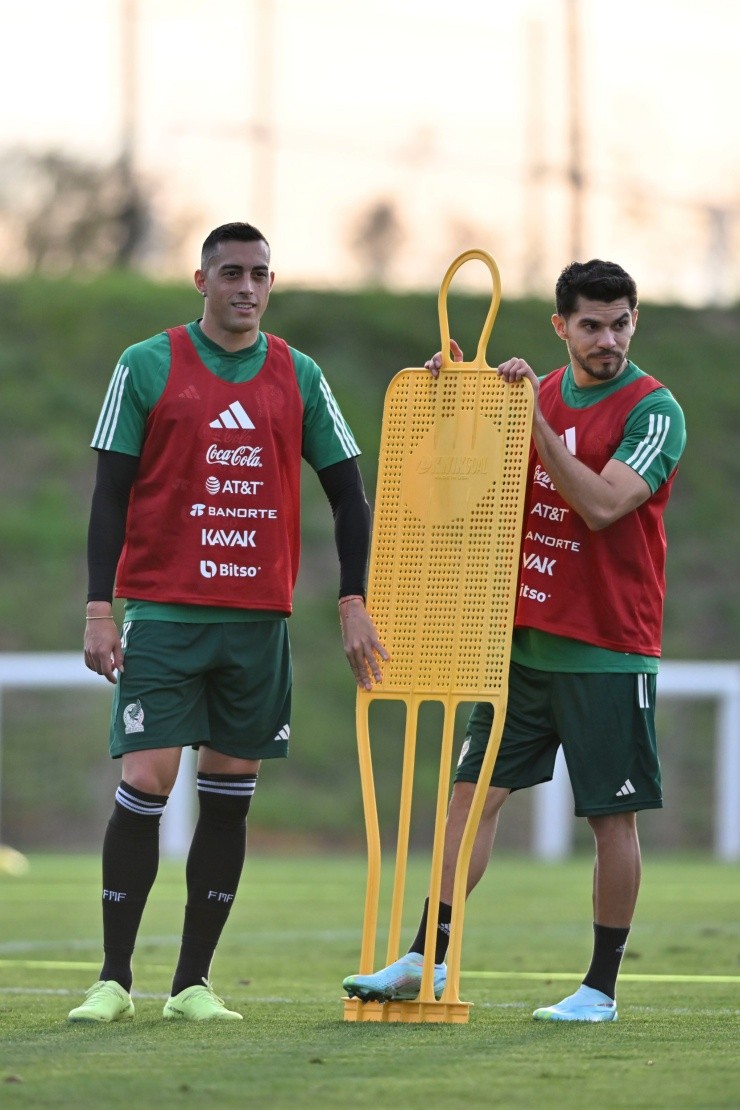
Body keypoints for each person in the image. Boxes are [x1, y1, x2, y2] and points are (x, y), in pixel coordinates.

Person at [343, 259, 686, 1023]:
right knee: (470, 801)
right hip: (517, 648)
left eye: (621, 322)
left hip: (606, 647)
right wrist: (456, 396)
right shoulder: (528, 397)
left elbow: (602, 505)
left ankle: (599, 988)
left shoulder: (653, 409)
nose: (609, 339)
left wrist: (529, 418)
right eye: (591, 325)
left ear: (635, 320)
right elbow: (452, 482)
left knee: (610, 820)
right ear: (560, 327)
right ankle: (423, 961)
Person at [69, 221, 387, 1023]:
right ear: (202, 281)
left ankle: (192, 985)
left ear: (270, 285)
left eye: (260, 275)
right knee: (146, 779)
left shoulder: (298, 376)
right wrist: (100, 606)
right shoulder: (146, 365)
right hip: (166, 612)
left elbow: (350, 491)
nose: (247, 288)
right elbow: (109, 493)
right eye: (232, 273)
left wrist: (352, 597)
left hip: (257, 621)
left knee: (229, 792)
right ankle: (112, 978)